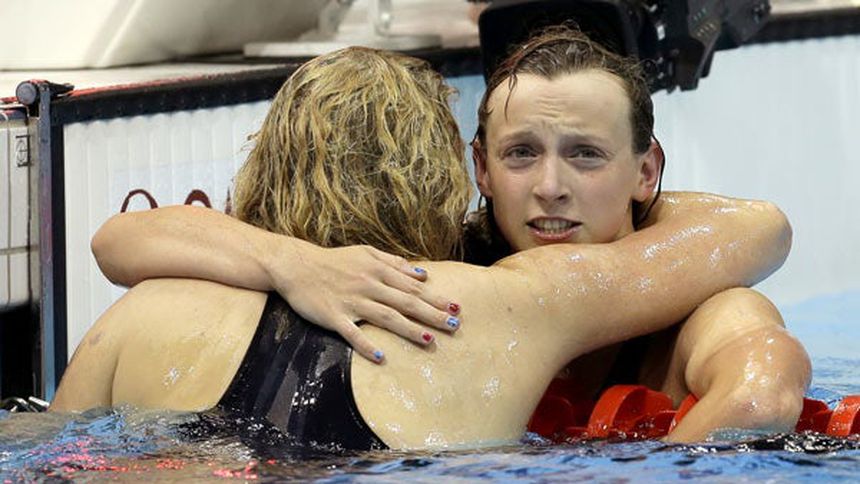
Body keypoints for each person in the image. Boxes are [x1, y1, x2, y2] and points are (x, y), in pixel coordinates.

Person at [67, 31, 804, 445]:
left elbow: (760, 386)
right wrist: (296, 263)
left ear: (647, 171)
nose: (551, 186)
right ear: (475, 170)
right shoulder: (476, 280)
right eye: (521, 154)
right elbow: (122, 240)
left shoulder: (695, 300)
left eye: (586, 155)